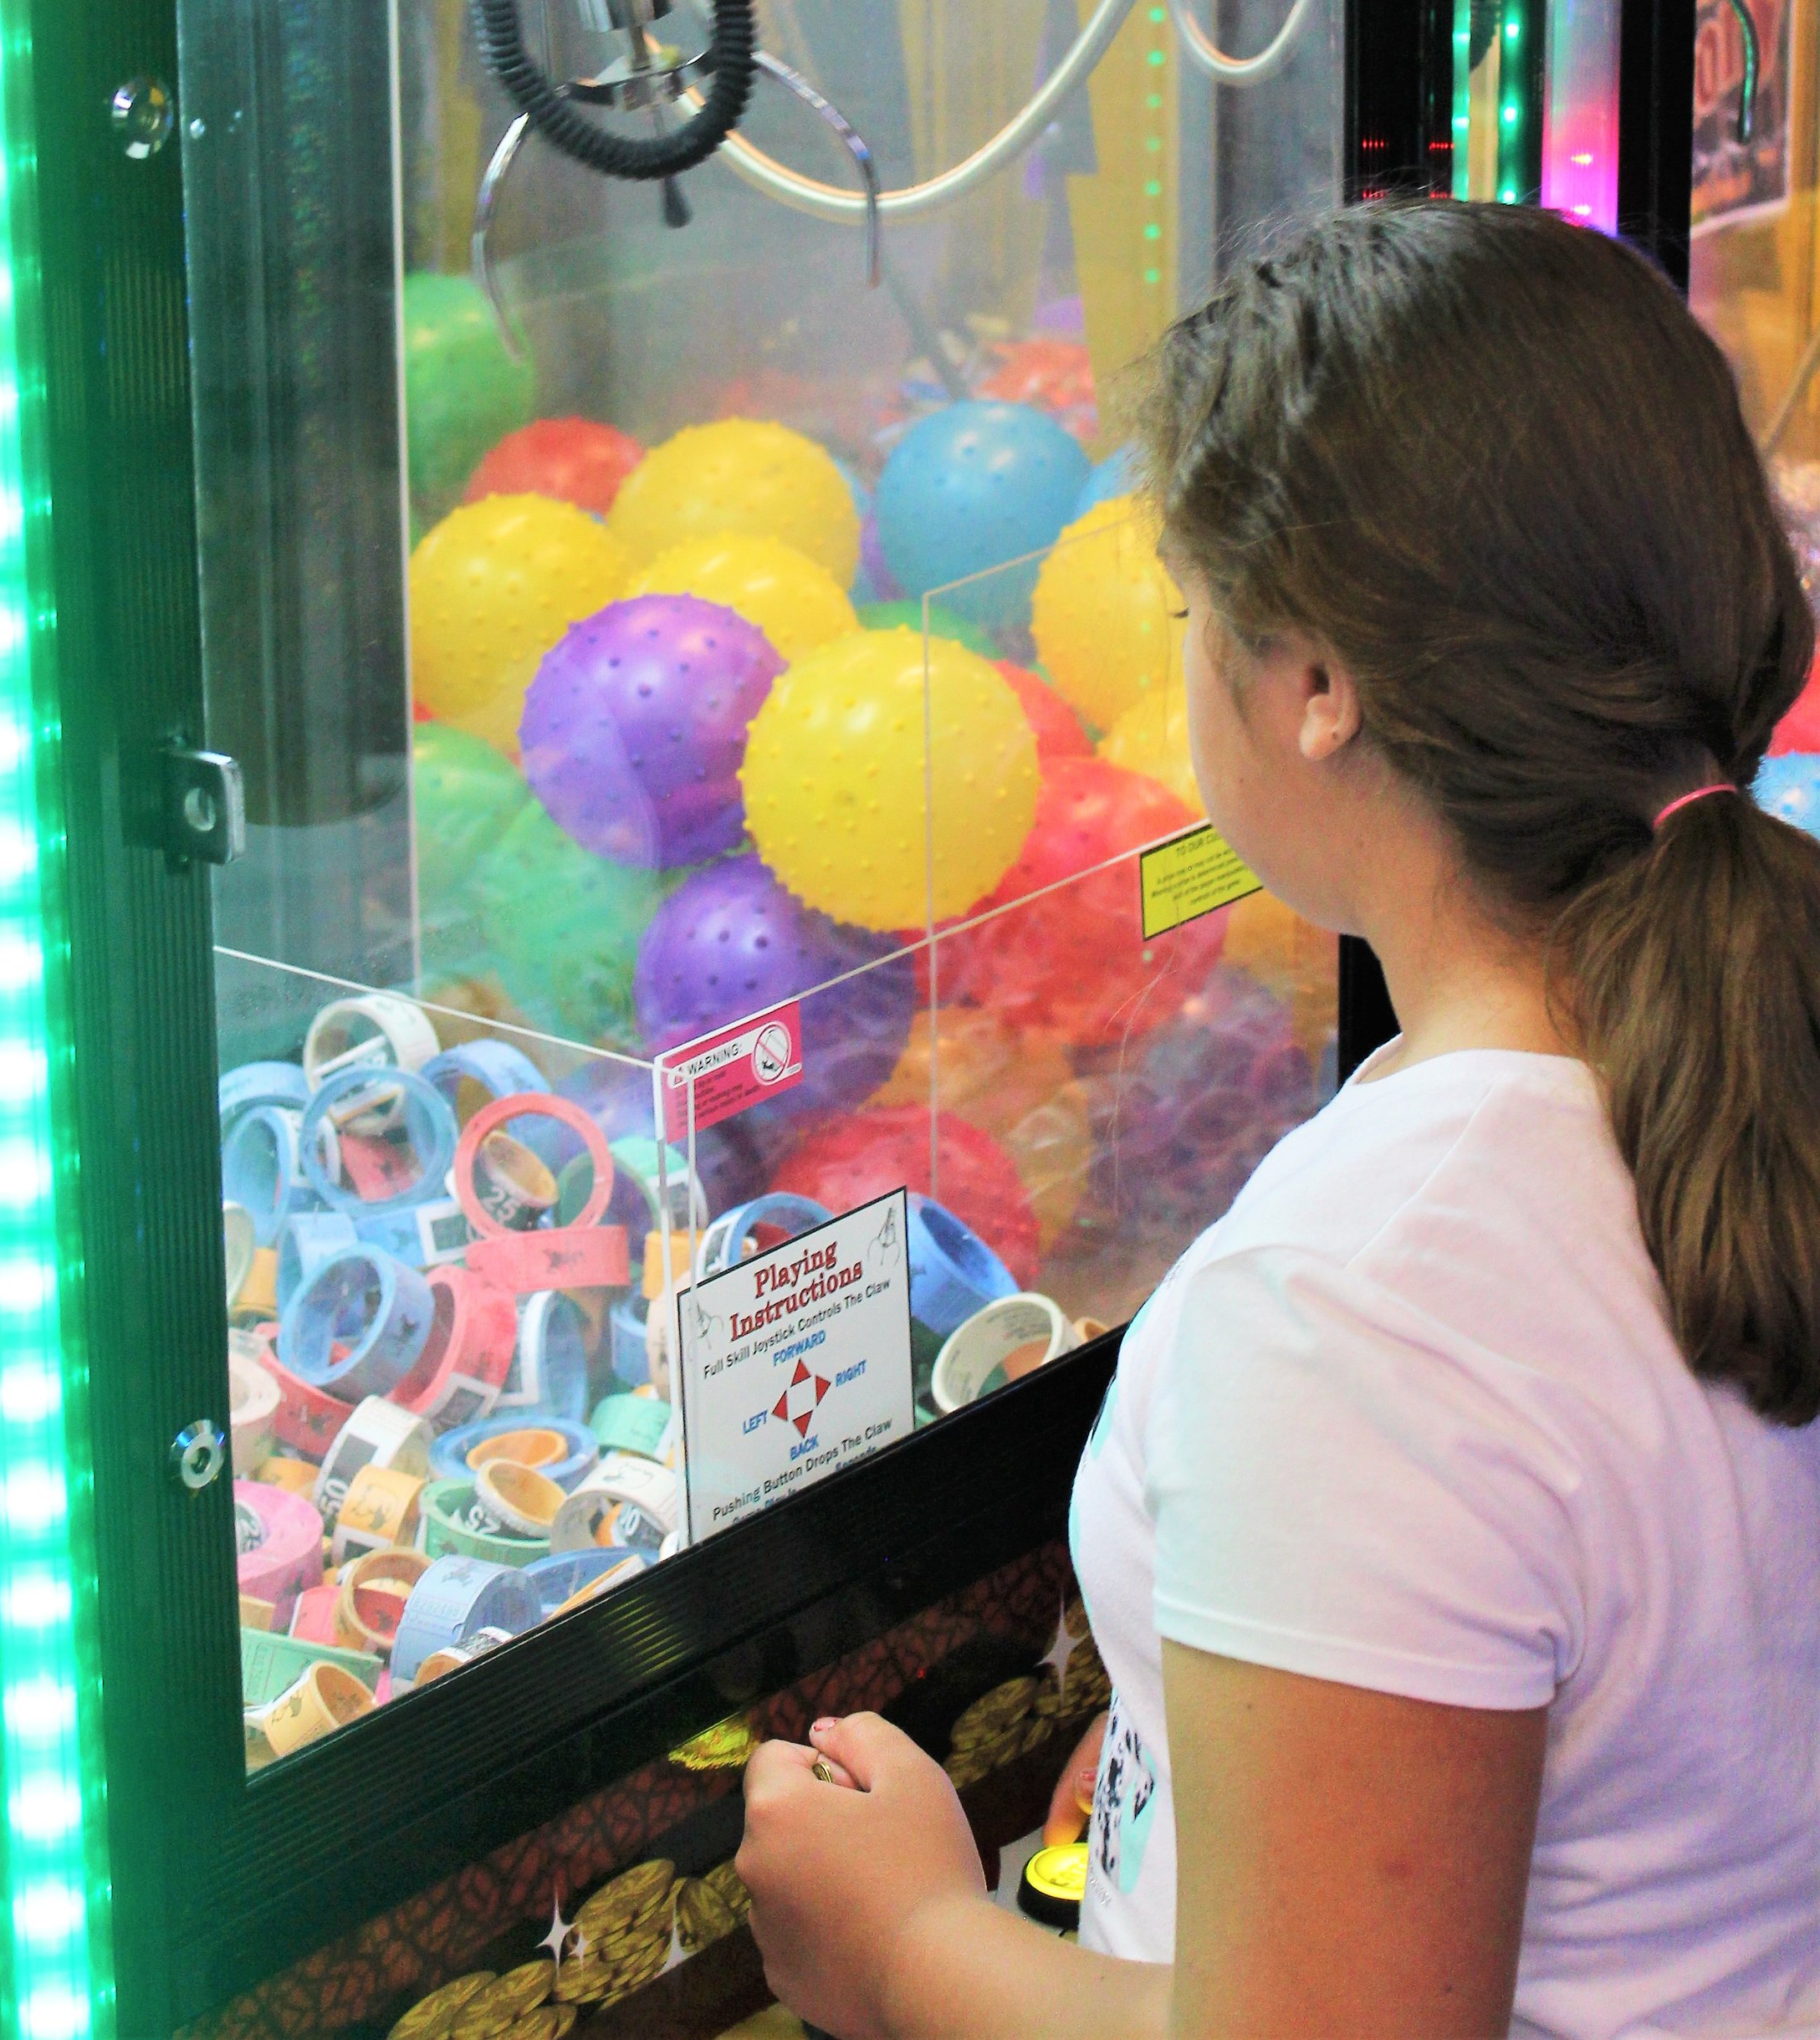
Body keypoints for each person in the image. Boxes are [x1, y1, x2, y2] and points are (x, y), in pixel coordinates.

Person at [738, 202, 1820, 2040]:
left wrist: (905, 1936)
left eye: (1186, 609)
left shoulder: (1362, 1306)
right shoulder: (1736, 990)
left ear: (1315, 685)